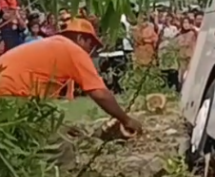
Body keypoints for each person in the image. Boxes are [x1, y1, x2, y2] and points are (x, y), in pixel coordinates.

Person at [0, 18, 142, 134]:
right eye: (90, 44)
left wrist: (64, 128)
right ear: (81, 38)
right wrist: (126, 120)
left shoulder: (52, 45)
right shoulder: (72, 50)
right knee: (60, 148)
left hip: (10, 94)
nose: (89, 50)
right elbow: (101, 94)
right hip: (11, 95)